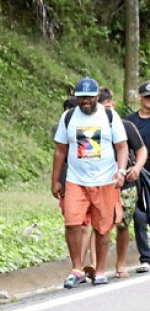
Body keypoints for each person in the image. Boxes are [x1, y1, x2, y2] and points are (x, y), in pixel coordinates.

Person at [51, 77, 128, 287]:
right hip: (75, 179)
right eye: (81, 97)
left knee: (102, 227)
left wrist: (121, 171)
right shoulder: (68, 117)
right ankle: (77, 268)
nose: (85, 101)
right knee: (72, 223)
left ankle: (100, 269)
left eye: (89, 97)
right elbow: (60, 151)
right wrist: (55, 180)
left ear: (96, 97)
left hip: (105, 179)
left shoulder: (110, 116)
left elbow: (122, 147)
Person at [97, 88, 146, 278]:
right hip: (100, 182)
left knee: (124, 223)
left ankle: (120, 264)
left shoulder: (124, 125)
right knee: (100, 225)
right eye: (103, 108)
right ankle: (96, 266)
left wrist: (136, 168)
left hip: (125, 183)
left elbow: (141, 150)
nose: (107, 112)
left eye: (109, 107)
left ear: (113, 105)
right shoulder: (92, 129)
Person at [124, 80, 150, 274]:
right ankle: (146, 256)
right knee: (139, 215)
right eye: (147, 96)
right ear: (140, 97)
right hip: (137, 173)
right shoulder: (130, 121)